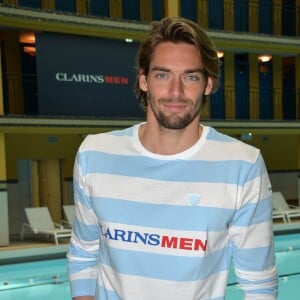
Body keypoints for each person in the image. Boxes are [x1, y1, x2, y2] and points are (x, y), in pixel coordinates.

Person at [67, 17, 278, 300]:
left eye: (190, 77)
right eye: (163, 75)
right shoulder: (95, 154)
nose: (176, 92)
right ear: (144, 81)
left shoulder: (242, 165)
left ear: (208, 84)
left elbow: (259, 284)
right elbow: (83, 253)